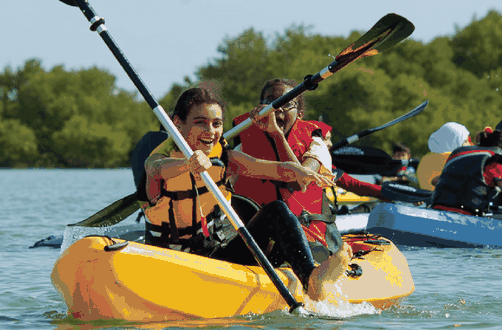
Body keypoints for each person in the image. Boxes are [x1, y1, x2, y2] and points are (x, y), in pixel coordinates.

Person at [140, 83, 351, 301]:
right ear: (177, 123)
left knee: (276, 211)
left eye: (216, 123)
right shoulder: (158, 161)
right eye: (200, 123)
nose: (210, 131)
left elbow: (273, 168)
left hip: (216, 259)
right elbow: (155, 170)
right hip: (169, 260)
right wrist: (188, 164)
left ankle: (311, 278)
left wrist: (301, 172)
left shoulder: (225, 159)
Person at [231, 79, 342, 257]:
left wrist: (277, 135)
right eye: (270, 101)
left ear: (299, 113)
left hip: (306, 237)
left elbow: (299, 183)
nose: (277, 108)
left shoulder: (316, 143)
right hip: (260, 237)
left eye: (286, 103)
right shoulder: (244, 142)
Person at [417, 122, 472, 190]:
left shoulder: (425, 159)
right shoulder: (456, 160)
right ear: (454, 141)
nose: (469, 144)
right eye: (465, 141)